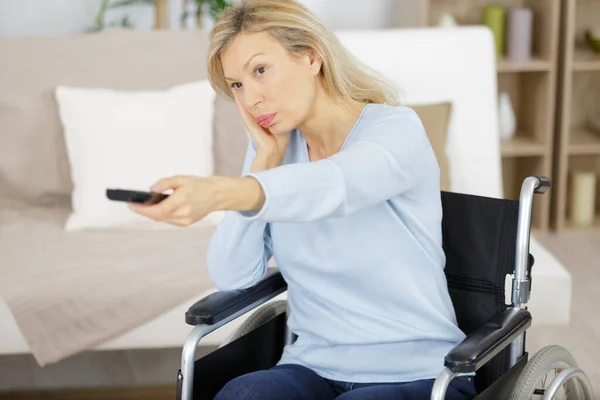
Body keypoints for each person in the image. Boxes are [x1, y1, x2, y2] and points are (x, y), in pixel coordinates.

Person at [132, 0, 477, 399]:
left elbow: (336, 186)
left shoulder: (396, 132)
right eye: (237, 85)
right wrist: (262, 163)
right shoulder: (275, 153)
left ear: (311, 56)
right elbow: (232, 275)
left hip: (416, 373)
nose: (251, 99)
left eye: (260, 70)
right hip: (311, 367)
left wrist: (221, 192)